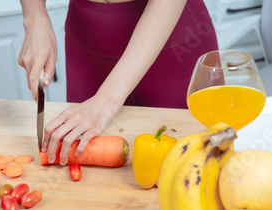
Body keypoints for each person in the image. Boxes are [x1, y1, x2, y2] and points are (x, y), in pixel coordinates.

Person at [18, 0, 218, 165]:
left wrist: (106, 100)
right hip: (87, 39)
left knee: (193, 167)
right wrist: (35, 17)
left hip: (172, 41)